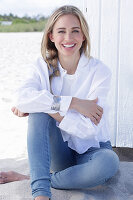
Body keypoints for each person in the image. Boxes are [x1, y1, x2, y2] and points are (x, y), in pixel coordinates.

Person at [0, 5, 119, 200]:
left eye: (75, 31)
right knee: (38, 114)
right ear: (51, 36)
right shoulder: (41, 67)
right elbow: (20, 99)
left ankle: (33, 178)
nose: (68, 38)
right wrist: (74, 103)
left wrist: (47, 107)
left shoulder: (100, 72)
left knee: (110, 163)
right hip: (59, 152)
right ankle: (41, 194)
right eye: (61, 31)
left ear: (83, 36)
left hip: (93, 150)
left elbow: (89, 130)